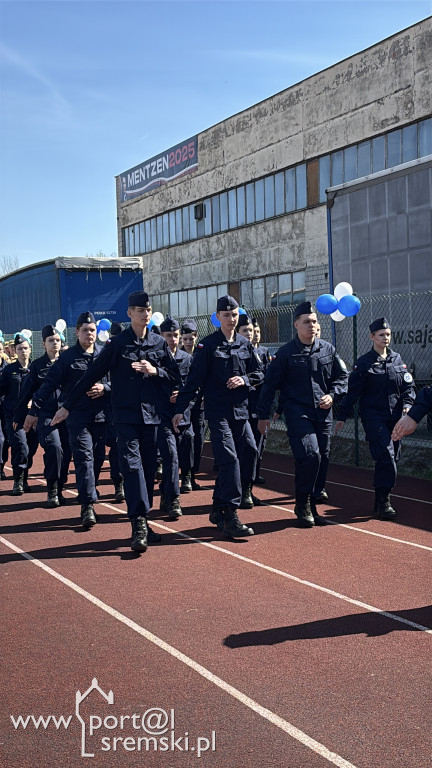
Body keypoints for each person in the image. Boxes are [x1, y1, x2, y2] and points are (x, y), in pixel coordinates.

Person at [51, 291, 180, 552]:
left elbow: (175, 377)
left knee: (146, 469)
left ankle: (143, 518)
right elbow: (91, 375)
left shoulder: (158, 343)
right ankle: (138, 524)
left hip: (151, 418)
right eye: (139, 310)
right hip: (125, 417)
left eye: (147, 310)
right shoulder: (118, 345)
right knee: (132, 467)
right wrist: (67, 406)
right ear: (129, 313)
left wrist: (156, 371)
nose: (144, 314)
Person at [172, 295, 263, 538]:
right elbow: (194, 381)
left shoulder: (245, 343)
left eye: (234, 315)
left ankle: (217, 506)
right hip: (218, 412)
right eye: (226, 315)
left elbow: (259, 373)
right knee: (229, 460)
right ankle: (230, 513)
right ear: (218, 317)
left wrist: (244, 379)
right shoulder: (207, 346)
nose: (231, 319)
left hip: (241, 412)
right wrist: (181, 409)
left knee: (250, 451)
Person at [257, 301, 348, 527]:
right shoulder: (285, 353)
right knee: (310, 455)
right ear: (296, 324)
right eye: (306, 322)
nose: (311, 326)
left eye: (314, 321)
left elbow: (343, 378)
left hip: (323, 414)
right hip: (298, 414)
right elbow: (270, 385)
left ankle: (312, 504)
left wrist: (333, 395)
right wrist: (263, 415)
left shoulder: (328, 349)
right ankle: (303, 504)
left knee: (322, 458)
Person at [32, 312, 111, 528]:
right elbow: (49, 384)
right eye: (85, 330)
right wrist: (33, 408)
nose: (89, 334)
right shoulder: (67, 358)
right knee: (84, 459)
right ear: (77, 332)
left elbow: (118, 382)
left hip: (101, 417)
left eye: (92, 330)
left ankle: (89, 492)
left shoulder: (105, 355)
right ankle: (87, 506)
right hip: (77, 418)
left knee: (96, 460)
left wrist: (105, 388)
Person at [334, 318, 415, 519]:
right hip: (373, 418)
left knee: (392, 458)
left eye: (388, 334)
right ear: (372, 337)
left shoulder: (397, 359)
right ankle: (385, 502)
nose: (386, 338)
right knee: (386, 455)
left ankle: (380, 498)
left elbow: (408, 387)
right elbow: (352, 392)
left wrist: (408, 406)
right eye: (381, 335)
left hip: (396, 418)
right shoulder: (363, 363)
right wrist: (342, 415)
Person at [13, 325, 72, 508]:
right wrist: (19, 415)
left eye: (57, 340)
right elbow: (26, 392)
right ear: (43, 344)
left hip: (68, 414)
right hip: (46, 416)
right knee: (54, 448)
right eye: (50, 340)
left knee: (67, 452)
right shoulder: (37, 366)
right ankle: (52, 488)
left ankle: (60, 485)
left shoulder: (68, 362)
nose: (55, 343)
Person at [158, 316, 194, 516]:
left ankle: (166, 491)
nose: (172, 339)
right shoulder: (156, 359)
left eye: (175, 335)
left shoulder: (188, 359)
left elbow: (195, 387)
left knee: (182, 451)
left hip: (183, 416)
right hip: (163, 416)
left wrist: (183, 396)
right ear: (162, 337)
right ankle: (173, 499)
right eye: (168, 336)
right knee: (170, 456)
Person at [0, 334, 39, 495]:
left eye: (25, 348)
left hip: (33, 416)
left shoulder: (36, 368)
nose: (23, 351)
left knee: (31, 447)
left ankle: (25, 477)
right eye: (20, 348)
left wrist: (34, 401)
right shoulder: (9, 371)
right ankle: (18, 480)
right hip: (14, 417)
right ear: (15, 351)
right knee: (20, 446)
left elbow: (43, 389)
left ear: (30, 350)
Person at [180, 318, 205, 490]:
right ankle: (186, 475)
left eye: (191, 338)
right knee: (187, 439)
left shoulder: (202, 354)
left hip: (200, 404)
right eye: (186, 339)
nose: (188, 342)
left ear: (196, 337)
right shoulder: (177, 355)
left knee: (199, 440)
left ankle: (193, 473)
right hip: (183, 405)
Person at [250, 317, 272, 487]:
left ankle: (256, 472)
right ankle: (248, 475)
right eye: (252, 332)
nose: (255, 335)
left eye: (258, 332)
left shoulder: (264, 351)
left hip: (261, 400)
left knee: (261, 441)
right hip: (248, 400)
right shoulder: (244, 351)